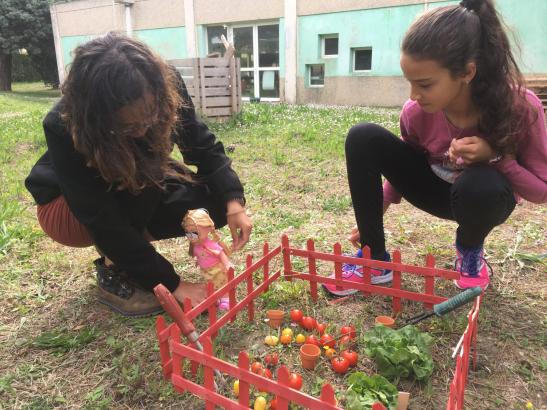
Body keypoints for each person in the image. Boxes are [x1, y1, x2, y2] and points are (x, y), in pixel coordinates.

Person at [323, 0, 546, 296]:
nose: (414, 95)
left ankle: (469, 252)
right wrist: (377, 213)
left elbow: (540, 191)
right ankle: (373, 259)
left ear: (467, 72)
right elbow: (406, 162)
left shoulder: (519, 108)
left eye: (425, 84)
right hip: (434, 192)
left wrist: (495, 158)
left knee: (480, 184)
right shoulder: (415, 112)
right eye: (410, 83)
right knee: (363, 136)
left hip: (482, 198)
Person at [24, 33, 252, 316]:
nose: (144, 129)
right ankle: (114, 270)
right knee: (141, 173)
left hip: (138, 183)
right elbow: (99, 217)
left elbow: (201, 143)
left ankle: (131, 252)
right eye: (128, 125)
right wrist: (173, 284)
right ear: (98, 117)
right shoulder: (63, 124)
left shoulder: (164, 83)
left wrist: (233, 202)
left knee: (210, 205)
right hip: (66, 210)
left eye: (151, 115)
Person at [183, 208, 233, 310]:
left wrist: (227, 264)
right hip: (205, 270)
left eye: (195, 233)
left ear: (209, 228)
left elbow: (221, 254)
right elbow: (199, 255)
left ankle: (225, 298)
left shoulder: (211, 245)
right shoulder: (196, 247)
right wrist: (199, 261)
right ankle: (216, 296)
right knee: (210, 284)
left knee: (221, 283)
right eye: (188, 233)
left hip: (217, 269)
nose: (191, 237)